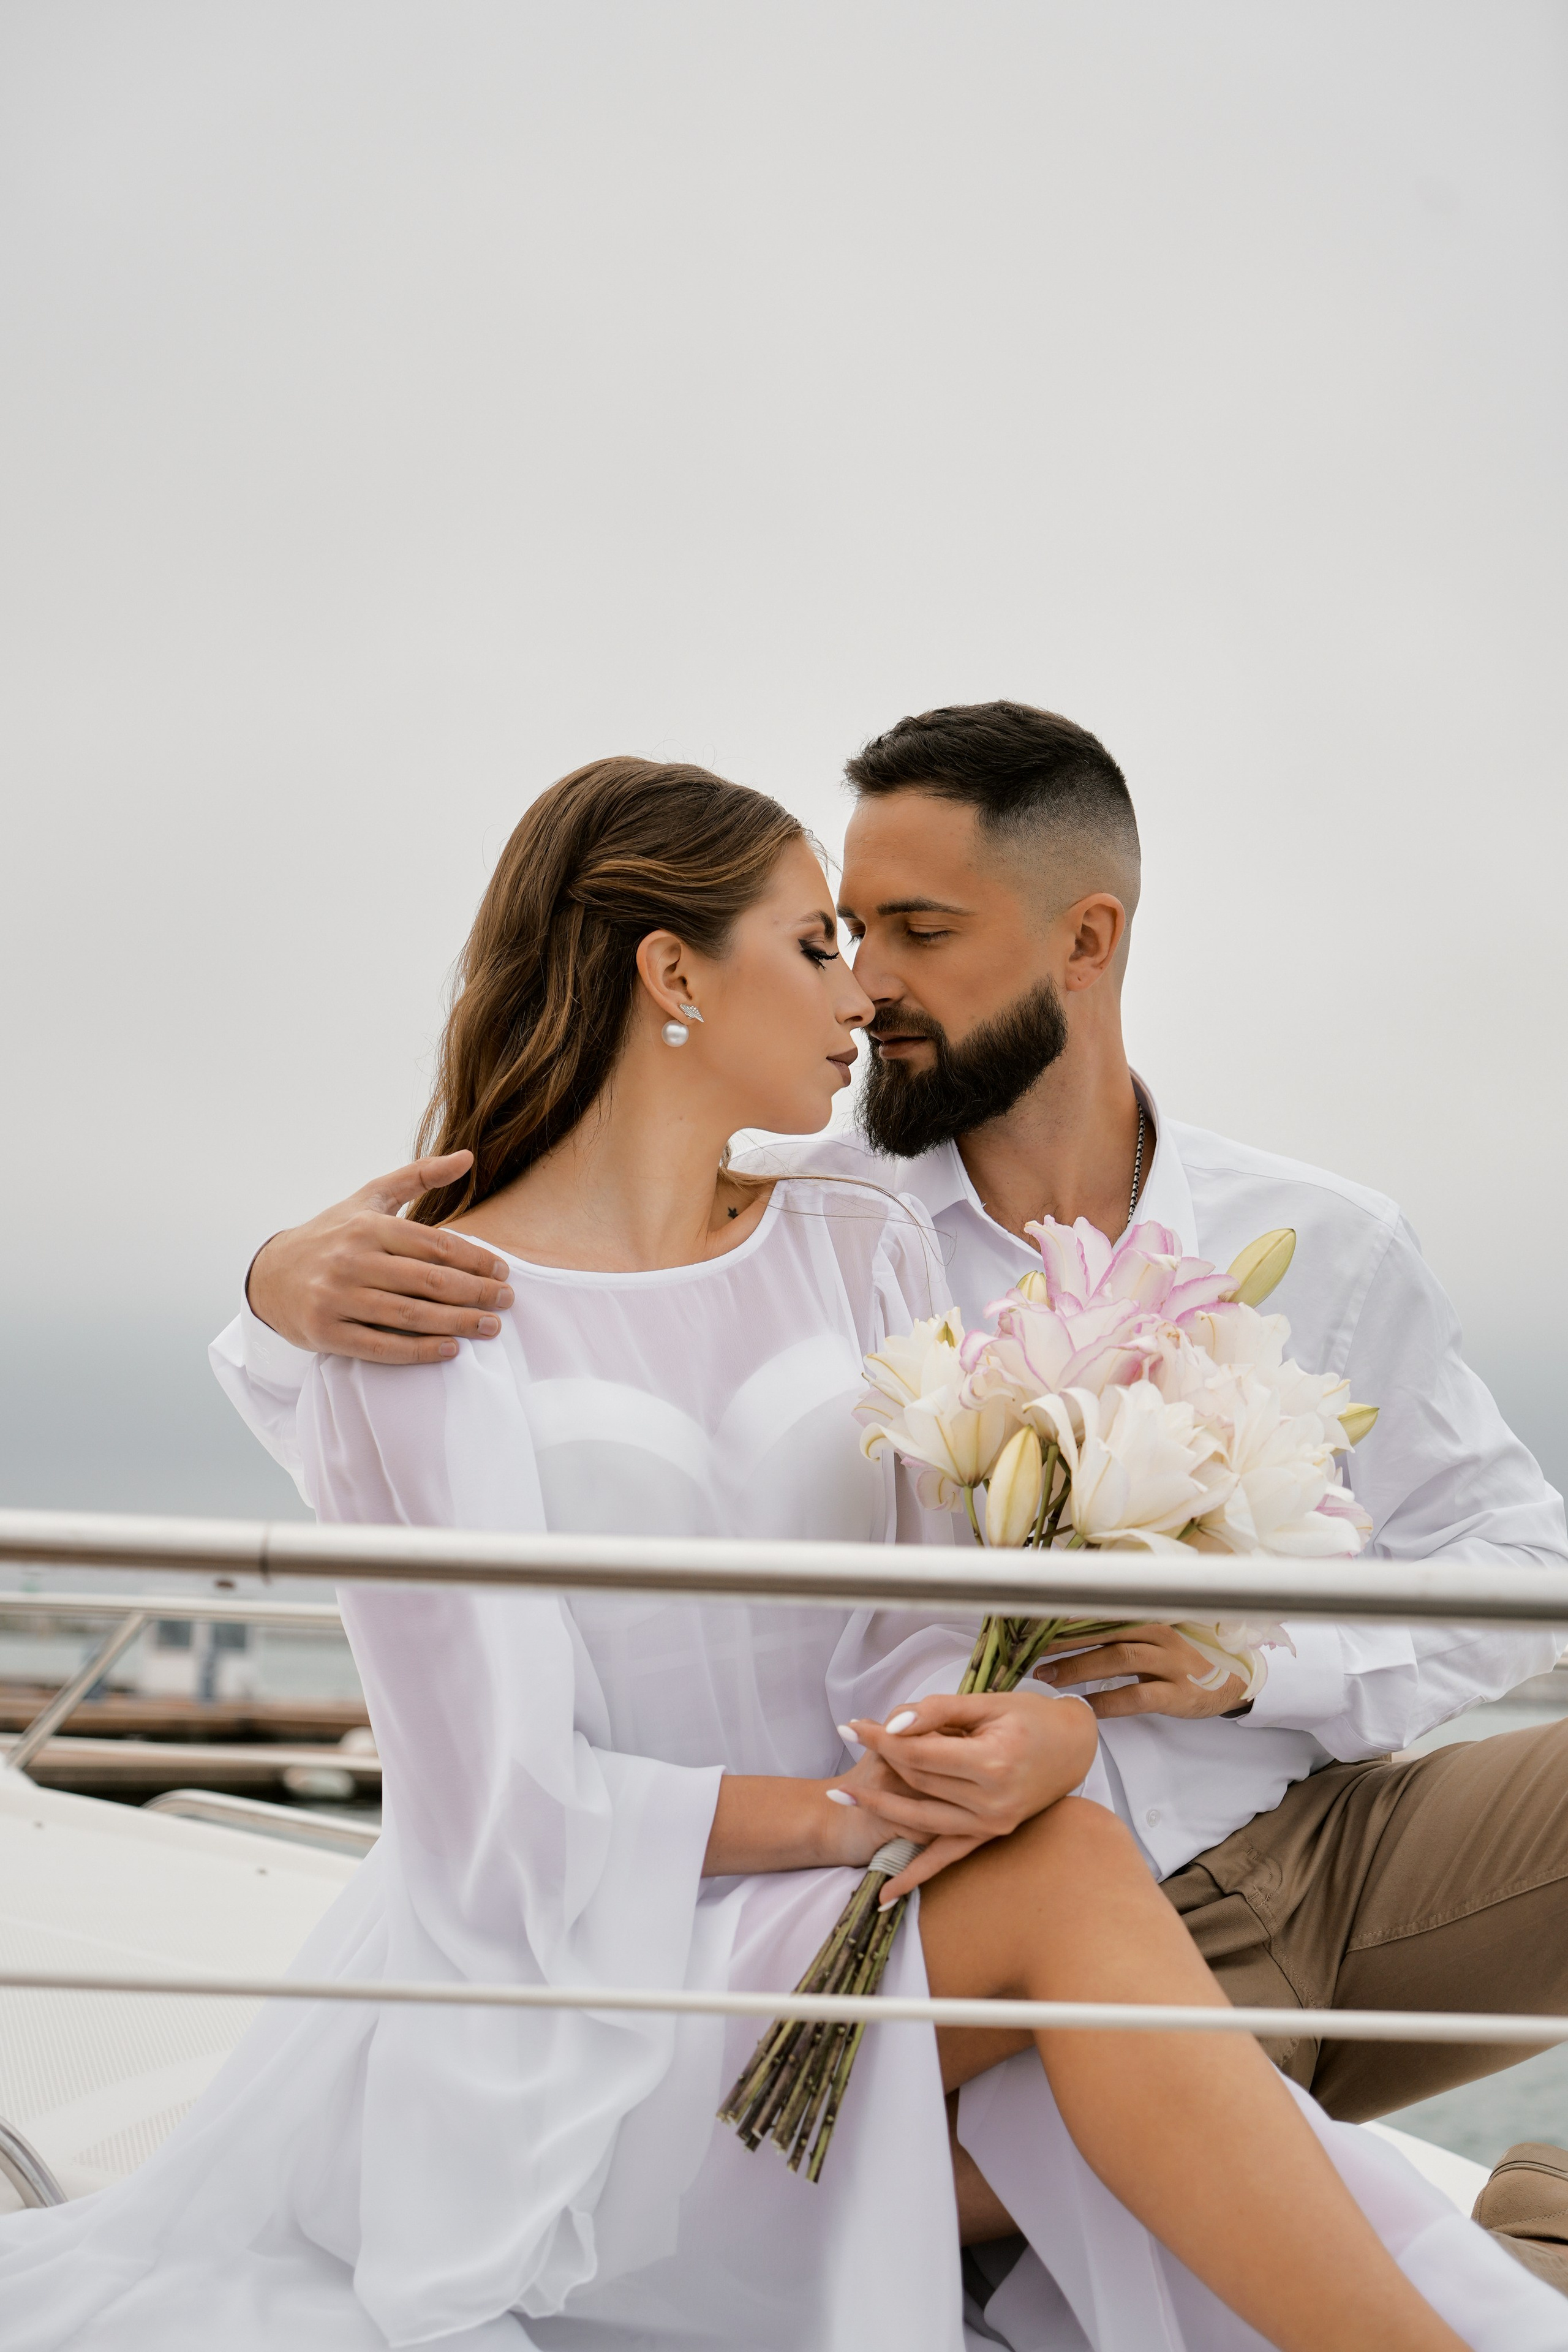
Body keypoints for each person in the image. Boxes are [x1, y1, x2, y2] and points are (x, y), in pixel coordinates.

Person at [1, 756, 1549, 2352]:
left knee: (1073, 1929)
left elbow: (909, 1615)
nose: (864, 991)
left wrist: (1015, 1731)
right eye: (818, 944)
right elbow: (500, 1819)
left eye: (879, 940)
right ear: (671, 971)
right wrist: (842, 1816)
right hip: (570, 1985)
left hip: (867, 1911)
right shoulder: (431, 1317)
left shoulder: (851, 1236)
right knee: (1083, 1924)